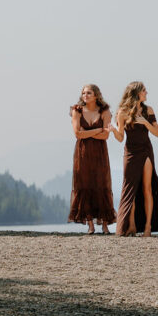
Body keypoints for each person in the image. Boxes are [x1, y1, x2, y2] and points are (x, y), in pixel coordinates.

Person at [111, 81, 158, 237]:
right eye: (144, 90)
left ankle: (147, 227)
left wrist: (146, 122)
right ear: (136, 93)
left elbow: (157, 133)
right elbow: (120, 137)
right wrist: (113, 129)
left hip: (146, 151)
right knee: (130, 189)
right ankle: (131, 225)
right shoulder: (122, 112)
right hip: (130, 152)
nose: (146, 93)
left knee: (147, 188)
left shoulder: (148, 110)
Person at [68, 83, 116, 234]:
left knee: (101, 185)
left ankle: (105, 225)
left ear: (96, 95)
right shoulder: (77, 110)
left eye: (88, 93)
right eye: (83, 93)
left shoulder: (104, 110)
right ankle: (90, 225)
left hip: (100, 153)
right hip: (82, 154)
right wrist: (97, 130)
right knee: (84, 185)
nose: (85, 96)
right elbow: (77, 134)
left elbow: (106, 136)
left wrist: (87, 132)